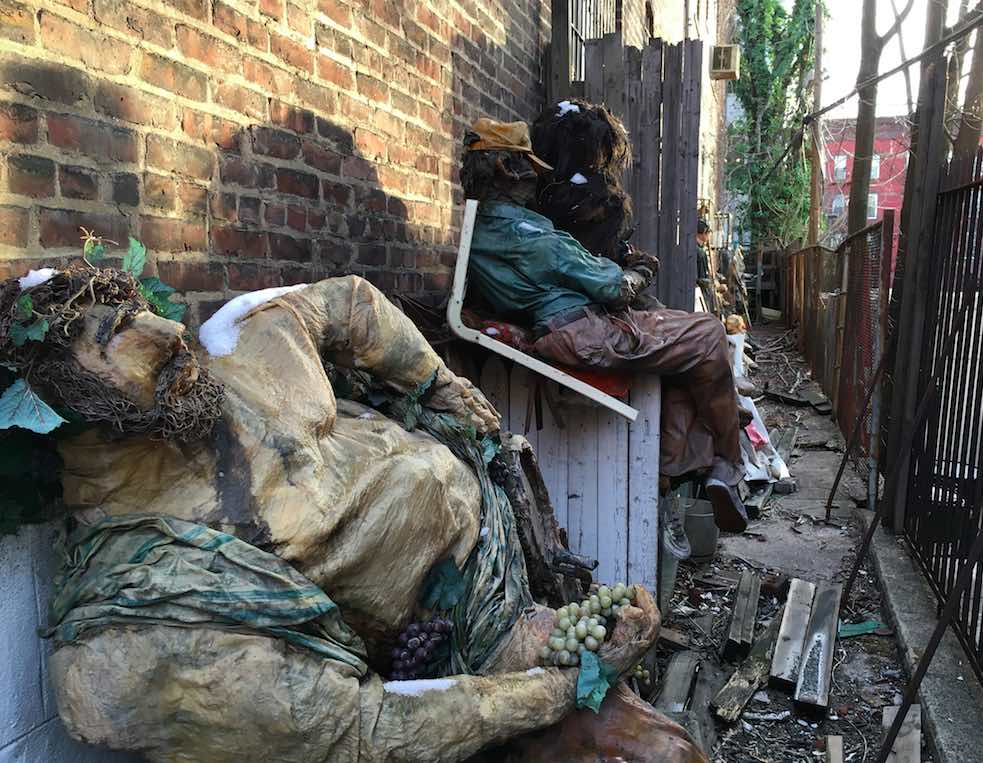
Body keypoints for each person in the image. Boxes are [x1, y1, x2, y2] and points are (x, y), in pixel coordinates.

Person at [1, 264, 702, 762]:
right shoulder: (146, 606)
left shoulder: (234, 358)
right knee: (658, 756)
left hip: (500, 589)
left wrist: (436, 381)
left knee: (669, 738)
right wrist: (546, 693)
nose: (163, 330)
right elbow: (363, 731)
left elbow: (346, 304)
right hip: (458, 674)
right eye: (117, 339)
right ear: (59, 402)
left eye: (133, 309)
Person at [461, 118, 749, 541]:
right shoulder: (523, 232)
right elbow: (613, 287)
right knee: (707, 335)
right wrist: (639, 272)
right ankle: (727, 463)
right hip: (583, 331)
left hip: (569, 326)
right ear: (508, 170)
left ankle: (676, 473)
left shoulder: (489, 227)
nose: (534, 181)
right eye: (529, 170)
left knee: (684, 360)